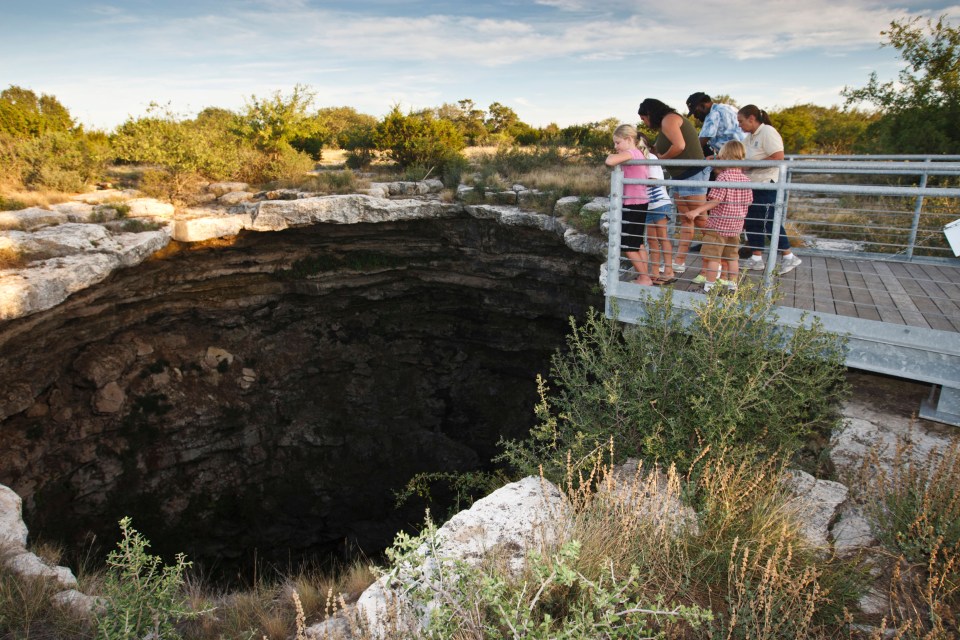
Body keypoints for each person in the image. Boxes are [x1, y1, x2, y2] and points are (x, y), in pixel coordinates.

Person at [637, 98, 708, 275]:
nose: (644, 123)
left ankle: (718, 262)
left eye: (644, 118)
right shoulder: (664, 125)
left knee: (700, 220)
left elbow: (680, 145)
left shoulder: (669, 119)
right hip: (681, 177)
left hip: (692, 175)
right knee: (687, 220)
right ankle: (679, 261)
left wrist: (662, 159)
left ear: (650, 113)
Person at [736, 105, 802, 274]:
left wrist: (750, 166)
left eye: (741, 121)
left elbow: (778, 157)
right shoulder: (749, 137)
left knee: (769, 222)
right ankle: (756, 258)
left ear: (752, 118)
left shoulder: (768, 132)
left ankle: (788, 256)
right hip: (752, 184)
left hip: (766, 183)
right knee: (752, 222)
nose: (739, 125)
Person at [682, 140, 752, 292]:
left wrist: (696, 211)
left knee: (713, 257)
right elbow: (748, 202)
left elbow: (715, 200)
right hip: (736, 226)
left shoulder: (723, 177)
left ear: (725, 157)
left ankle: (709, 287)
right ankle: (733, 286)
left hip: (718, 225)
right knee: (733, 257)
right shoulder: (746, 180)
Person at [605, 124, 653, 286]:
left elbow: (610, 161)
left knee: (628, 245)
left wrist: (615, 154)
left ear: (629, 139)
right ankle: (644, 275)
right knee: (638, 243)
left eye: (618, 143)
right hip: (641, 202)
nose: (615, 146)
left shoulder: (631, 153)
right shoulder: (639, 153)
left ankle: (645, 278)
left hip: (633, 203)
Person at [639, 134, 677, 284]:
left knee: (662, 236)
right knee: (651, 239)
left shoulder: (651, 158)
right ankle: (654, 271)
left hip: (659, 202)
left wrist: (634, 182)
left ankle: (669, 270)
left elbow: (654, 181)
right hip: (647, 205)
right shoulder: (637, 160)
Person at [685, 92, 746, 158]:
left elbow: (699, 144)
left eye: (695, 112)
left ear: (702, 106)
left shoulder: (713, 115)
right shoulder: (727, 107)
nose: (695, 117)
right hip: (743, 152)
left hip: (735, 157)